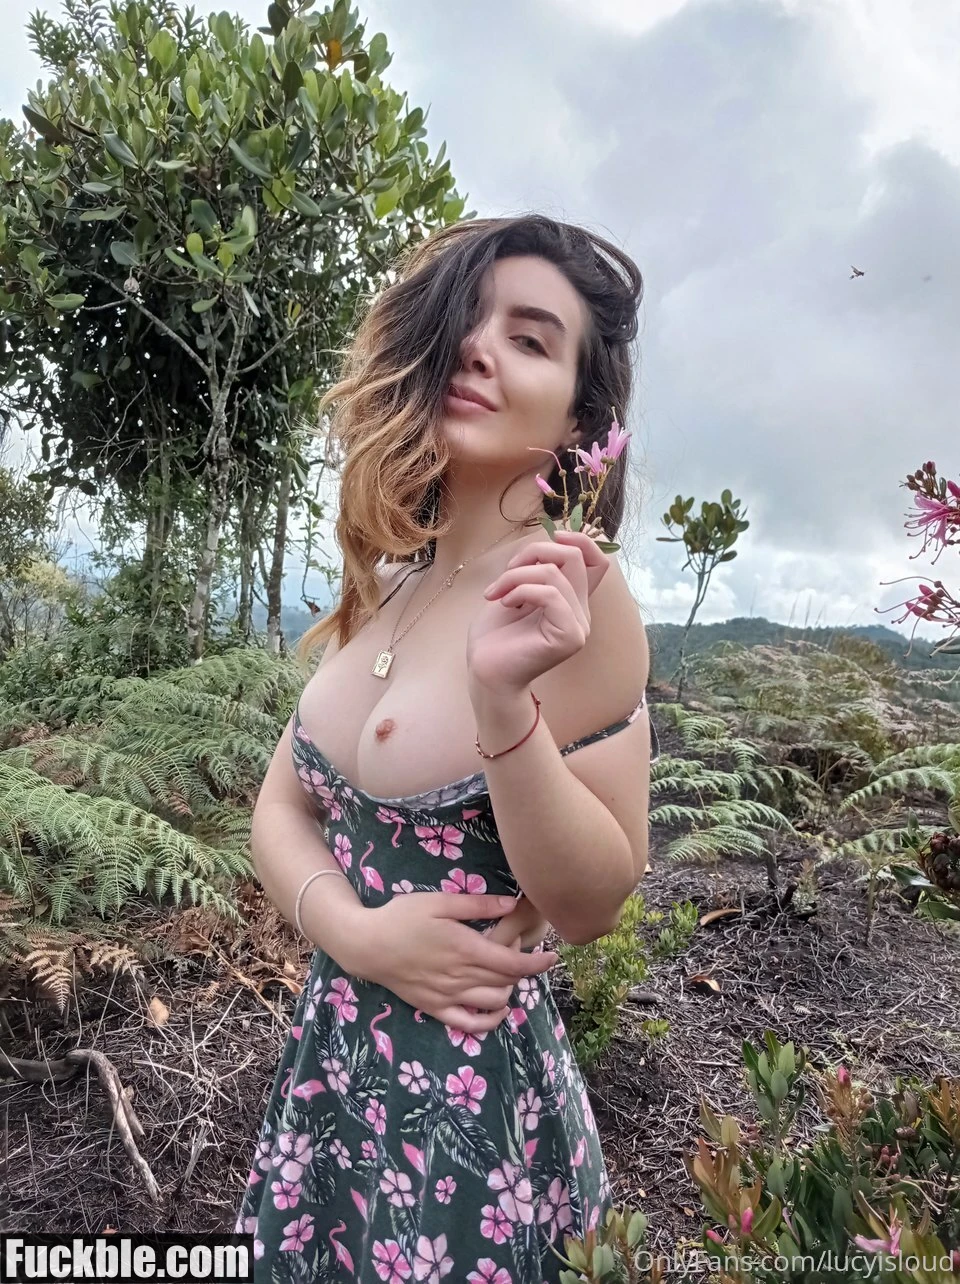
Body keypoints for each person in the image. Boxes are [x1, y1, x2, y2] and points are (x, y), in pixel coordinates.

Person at [235, 214, 660, 1282]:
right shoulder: (391, 578)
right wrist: (356, 934)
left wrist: (502, 703)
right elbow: (281, 808)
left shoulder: (574, 594)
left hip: (471, 1117)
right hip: (333, 1075)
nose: (478, 348)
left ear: (580, 415)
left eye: (530, 338)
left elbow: (592, 902)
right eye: (466, 322)